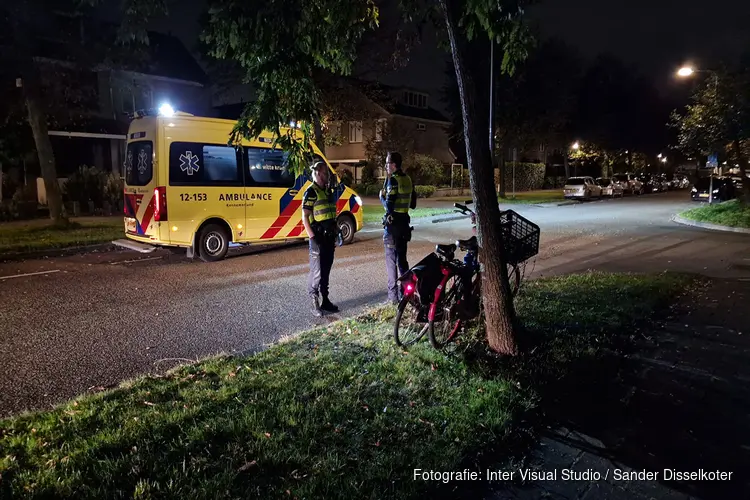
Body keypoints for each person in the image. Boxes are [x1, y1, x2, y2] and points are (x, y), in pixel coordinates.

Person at [302, 161, 340, 317]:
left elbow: (331, 214)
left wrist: (337, 231)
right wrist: (312, 238)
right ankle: (314, 302)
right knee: (316, 272)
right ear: (317, 173)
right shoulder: (311, 192)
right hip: (317, 239)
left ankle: (325, 300)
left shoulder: (327, 192)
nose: (327, 176)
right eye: (325, 173)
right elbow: (305, 216)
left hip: (329, 238)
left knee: (326, 271)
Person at [380, 151, 416, 304]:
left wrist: (381, 197)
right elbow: (413, 204)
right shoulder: (408, 179)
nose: (386, 166)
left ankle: (393, 298)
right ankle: (407, 293)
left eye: (387, 163)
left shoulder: (393, 181)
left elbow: (389, 207)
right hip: (404, 226)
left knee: (391, 262)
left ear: (393, 165)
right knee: (402, 261)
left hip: (392, 228)